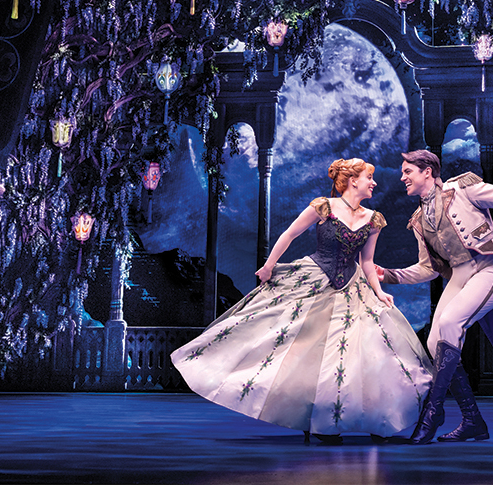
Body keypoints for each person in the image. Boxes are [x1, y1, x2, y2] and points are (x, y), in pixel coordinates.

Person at [171, 158, 433, 443]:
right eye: (369, 177)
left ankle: (373, 418)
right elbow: (290, 234)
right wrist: (269, 265)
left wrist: (379, 291)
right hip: (315, 279)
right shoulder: (323, 206)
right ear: (353, 180)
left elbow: (367, 262)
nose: (374, 182)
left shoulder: (373, 219)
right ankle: (319, 421)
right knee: (304, 347)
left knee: (360, 351)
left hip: (353, 287)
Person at [377, 150, 493, 445]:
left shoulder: (462, 190)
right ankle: (472, 420)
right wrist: (388, 274)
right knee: (435, 342)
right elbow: (429, 269)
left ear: (427, 172)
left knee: (450, 322)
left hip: (490, 267)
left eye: (407, 171)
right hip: (460, 277)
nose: (402, 178)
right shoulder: (419, 220)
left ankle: (432, 414)